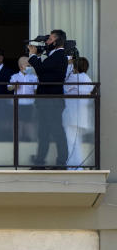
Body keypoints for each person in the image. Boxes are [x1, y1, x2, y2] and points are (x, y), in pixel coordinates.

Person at [28, 29, 68, 168]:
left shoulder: (59, 55)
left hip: (52, 100)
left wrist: (33, 56)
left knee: (57, 132)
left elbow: (42, 71)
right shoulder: (54, 55)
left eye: (49, 39)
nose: (46, 42)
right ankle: (39, 162)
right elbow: (44, 71)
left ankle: (61, 162)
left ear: (56, 41)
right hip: (46, 100)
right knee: (43, 132)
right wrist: (38, 56)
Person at [63, 56, 93, 169]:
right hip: (81, 116)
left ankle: (74, 167)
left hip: (72, 116)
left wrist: (68, 64)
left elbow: (64, 81)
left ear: (75, 67)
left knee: (72, 143)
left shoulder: (75, 78)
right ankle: (76, 166)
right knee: (76, 143)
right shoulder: (87, 78)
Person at [8, 55, 38, 142]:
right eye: (28, 65)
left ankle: (31, 141)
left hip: (30, 104)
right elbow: (9, 88)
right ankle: (18, 141)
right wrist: (14, 86)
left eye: (30, 66)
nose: (30, 67)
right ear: (21, 66)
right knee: (18, 123)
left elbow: (36, 91)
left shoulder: (33, 77)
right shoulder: (15, 77)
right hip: (18, 104)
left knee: (30, 123)